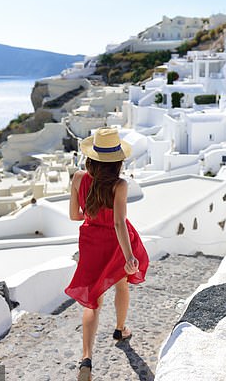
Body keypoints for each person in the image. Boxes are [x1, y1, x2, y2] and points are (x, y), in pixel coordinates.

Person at [64, 127, 149, 381]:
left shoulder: (79, 178)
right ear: (117, 162)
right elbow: (119, 223)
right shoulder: (120, 185)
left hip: (91, 242)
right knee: (122, 286)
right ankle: (120, 330)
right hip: (115, 243)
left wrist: (91, 214)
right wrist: (130, 256)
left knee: (93, 301)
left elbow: (74, 216)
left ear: (91, 158)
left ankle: (86, 358)